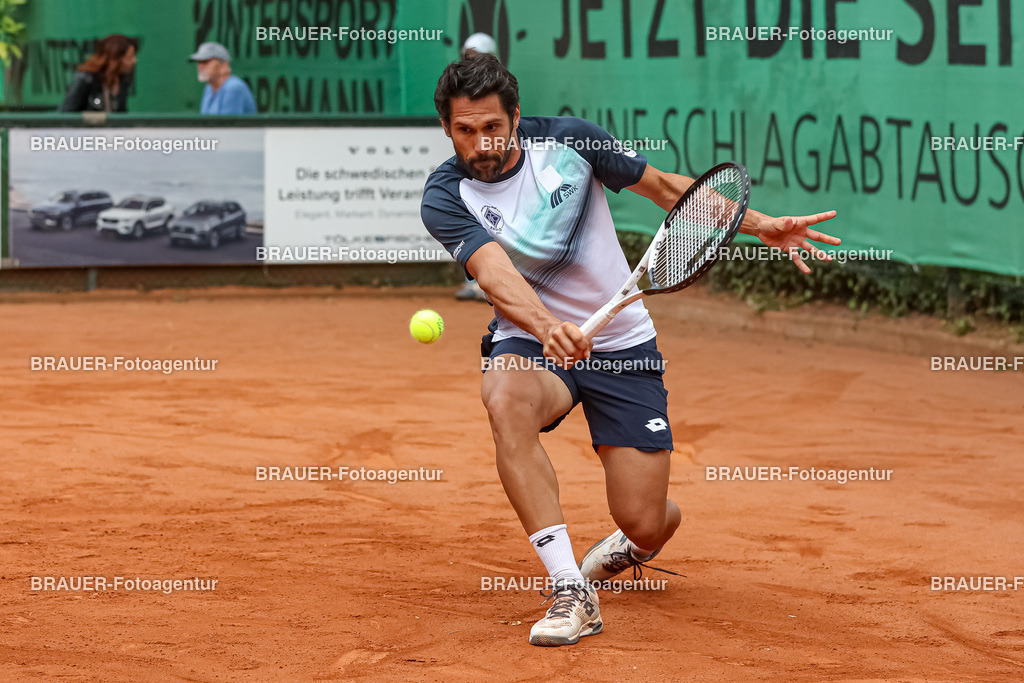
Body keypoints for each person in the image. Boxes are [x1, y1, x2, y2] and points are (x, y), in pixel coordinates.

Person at [420, 54, 840, 647]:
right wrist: (546, 327)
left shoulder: (570, 142)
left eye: (493, 126)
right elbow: (492, 274)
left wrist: (762, 223)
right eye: (466, 130)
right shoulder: (445, 194)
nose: (482, 142)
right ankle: (570, 588)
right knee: (505, 397)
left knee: (644, 517)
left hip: (622, 344)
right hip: (531, 341)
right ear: (447, 129)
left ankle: (634, 543)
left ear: (515, 116)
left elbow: (671, 191)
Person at [453, 33, 499, 303]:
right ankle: (475, 282)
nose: (471, 61)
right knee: (472, 216)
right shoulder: (457, 88)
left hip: (498, 169)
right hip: (471, 169)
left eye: (477, 56)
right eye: (468, 55)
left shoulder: (501, 88)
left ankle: (497, 282)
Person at [58, 34, 138, 112]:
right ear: (115, 59)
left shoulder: (123, 80)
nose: (134, 61)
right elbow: (67, 115)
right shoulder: (84, 79)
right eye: (129, 57)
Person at [189, 42, 256, 115]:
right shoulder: (208, 88)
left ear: (224, 66)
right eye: (199, 62)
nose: (200, 66)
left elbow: (228, 125)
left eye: (205, 61)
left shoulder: (234, 87)